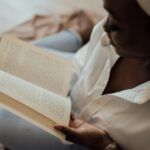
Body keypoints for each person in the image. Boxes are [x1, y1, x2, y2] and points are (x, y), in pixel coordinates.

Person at [0, 0, 150, 150]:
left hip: (81, 144)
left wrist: (102, 144)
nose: (104, 26)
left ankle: (74, 36)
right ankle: (76, 36)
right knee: (9, 57)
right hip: (71, 86)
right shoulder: (111, 32)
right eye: (107, 14)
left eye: (117, 25)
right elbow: (81, 64)